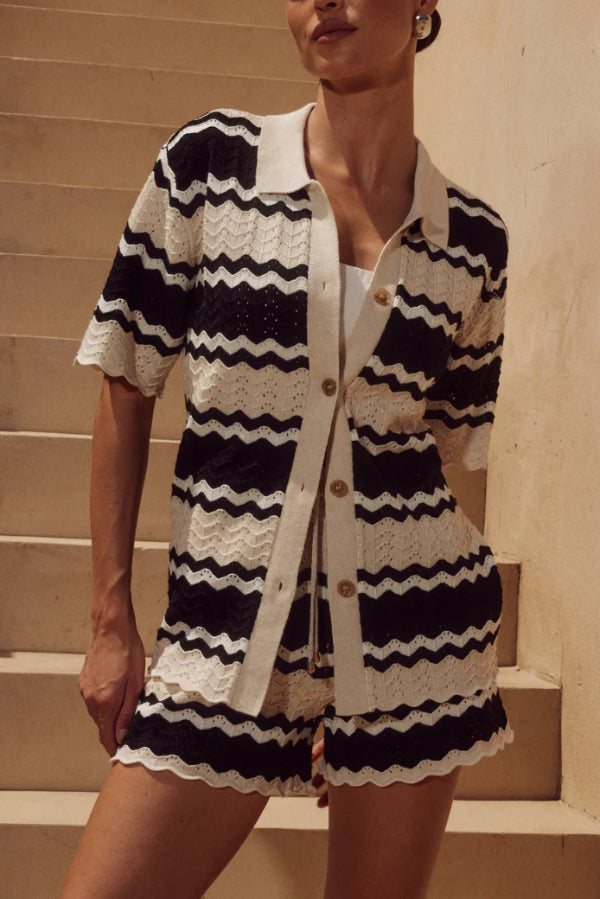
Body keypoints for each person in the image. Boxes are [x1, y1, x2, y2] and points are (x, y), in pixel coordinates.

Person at [60, 2, 514, 897]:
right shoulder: (208, 167)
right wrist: (110, 618)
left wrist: (351, 671)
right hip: (219, 642)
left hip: (413, 651)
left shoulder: (473, 242)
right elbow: (126, 378)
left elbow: (441, 447)